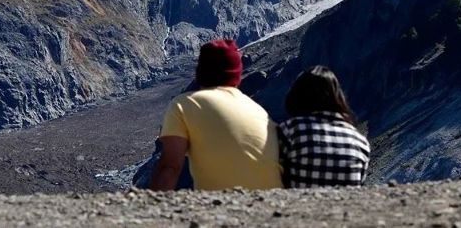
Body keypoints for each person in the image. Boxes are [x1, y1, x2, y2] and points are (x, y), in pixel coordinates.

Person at [150, 39, 283, 191]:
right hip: (270, 207)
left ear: (200, 73)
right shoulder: (258, 110)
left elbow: (170, 167)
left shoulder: (184, 104)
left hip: (224, 206)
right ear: (237, 75)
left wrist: (151, 206)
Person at [278, 66, 370, 188]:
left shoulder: (292, 129)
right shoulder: (361, 142)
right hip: (346, 205)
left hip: (296, 205)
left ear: (296, 97)